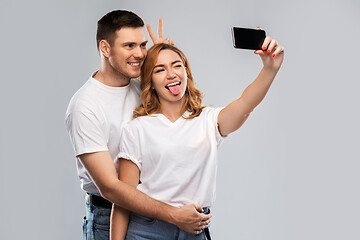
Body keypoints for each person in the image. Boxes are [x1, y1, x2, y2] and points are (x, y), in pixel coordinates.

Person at [110, 36, 284, 240]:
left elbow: (245, 105)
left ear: (186, 72)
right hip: (147, 231)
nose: (171, 74)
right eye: (160, 69)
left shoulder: (208, 121)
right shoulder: (137, 128)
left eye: (177, 65)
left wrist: (270, 69)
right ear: (151, 82)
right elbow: (124, 199)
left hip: (194, 229)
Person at [65, 10, 211, 240]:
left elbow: (182, 106)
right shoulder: (85, 106)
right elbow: (111, 187)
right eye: (129, 46)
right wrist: (174, 215)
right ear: (105, 48)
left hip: (156, 215)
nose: (140, 54)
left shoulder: (141, 85)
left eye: (143, 45)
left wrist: (162, 58)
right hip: (109, 215)